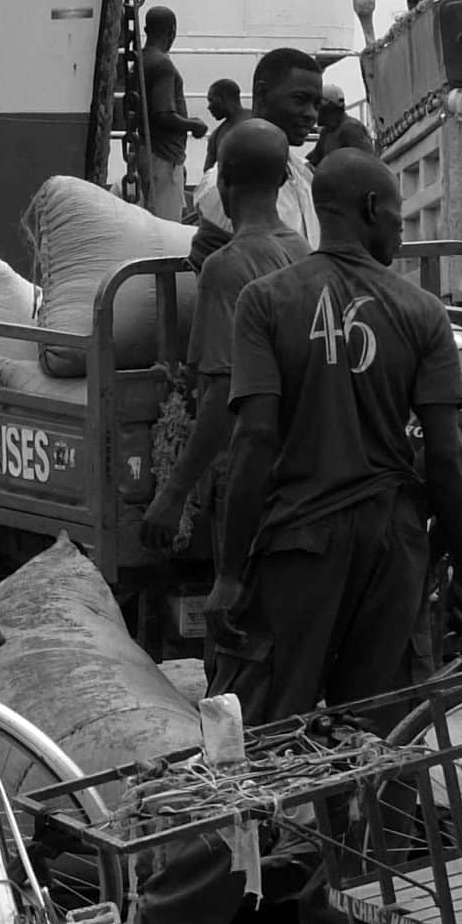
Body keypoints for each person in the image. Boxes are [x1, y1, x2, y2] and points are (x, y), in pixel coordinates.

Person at [214, 150, 462, 924]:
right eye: (396, 211)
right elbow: (447, 455)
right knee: (382, 738)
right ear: (367, 207)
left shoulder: (265, 302)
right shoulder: (420, 310)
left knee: (260, 735)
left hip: (298, 546)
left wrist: (228, 567)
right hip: (391, 545)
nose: (401, 226)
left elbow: (252, 440)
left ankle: (177, 923)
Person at [138, 119, 306, 561]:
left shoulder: (225, 267)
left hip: (252, 481)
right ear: (286, 179)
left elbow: (218, 400)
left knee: (243, 616)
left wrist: (173, 495)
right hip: (305, 474)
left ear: (224, 180)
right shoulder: (307, 254)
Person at [193, 47, 323, 259]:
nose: (311, 114)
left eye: (317, 105)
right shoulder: (220, 188)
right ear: (262, 94)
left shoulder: (305, 176)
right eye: (300, 99)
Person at [137, 6, 205, 222]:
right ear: (172, 31)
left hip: (148, 151)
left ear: (146, 29)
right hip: (164, 156)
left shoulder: (141, 60)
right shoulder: (163, 65)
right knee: (166, 224)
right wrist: (193, 124)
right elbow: (163, 114)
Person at [306, 90, 375, 168]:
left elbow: (369, 162)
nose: (313, 112)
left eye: (317, 107)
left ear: (328, 108)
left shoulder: (351, 128)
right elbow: (313, 159)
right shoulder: (326, 132)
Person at [200, 78, 245, 172]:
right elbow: (208, 173)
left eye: (211, 100)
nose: (209, 107)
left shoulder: (217, 135)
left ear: (223, 98)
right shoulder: (216, 135)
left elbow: (208, 175)